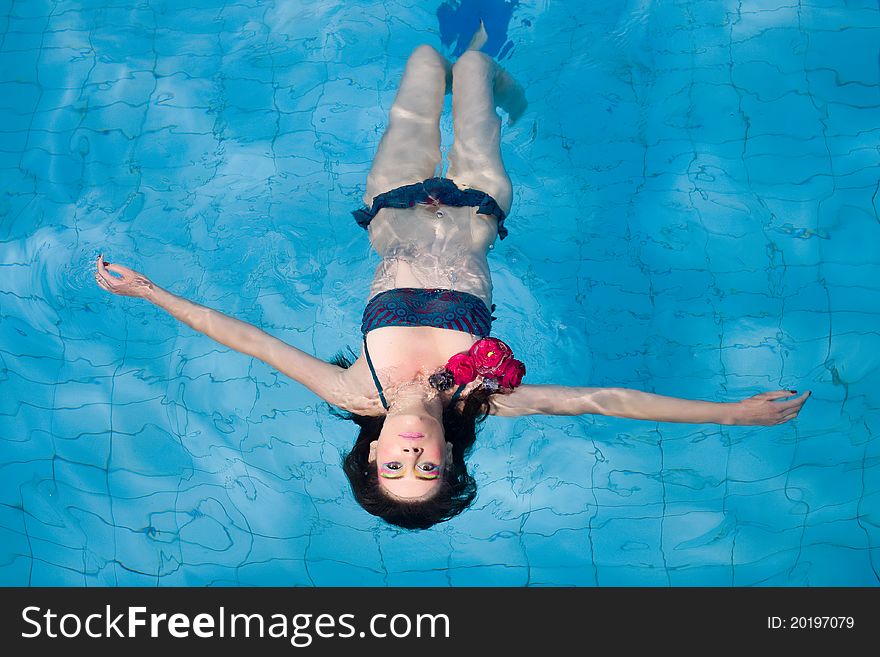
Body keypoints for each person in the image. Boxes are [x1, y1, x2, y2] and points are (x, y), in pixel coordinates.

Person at [94, 37, 811, 531]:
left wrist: (151, 292)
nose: (411, 449)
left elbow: (250, 341)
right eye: (427, 465)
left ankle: (481, 70)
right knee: (468, 65)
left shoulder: (352, 391)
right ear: (450, 457)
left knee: (419, 63)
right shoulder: (484, 398)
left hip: (394, 210)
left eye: (397, 464)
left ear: (371, 455)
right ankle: (499, 88)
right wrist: (725, 414)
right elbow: (603, 400)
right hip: (475, 209)